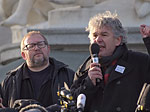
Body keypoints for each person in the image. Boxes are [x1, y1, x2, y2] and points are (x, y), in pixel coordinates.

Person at [70, 11, 150, 112]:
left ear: (118, 40)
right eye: (94, 35)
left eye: (104, 35)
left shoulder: (138, 61)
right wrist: (89, 83)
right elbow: (72, 102)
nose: (98, 40)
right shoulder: (85, 68)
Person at [0, 31, 74, 109]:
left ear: (48, 49)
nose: (36, 48)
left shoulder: (68, 75)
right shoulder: (10, 82)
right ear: (23, 55)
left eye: (40, 44)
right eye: (31, 46)